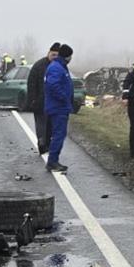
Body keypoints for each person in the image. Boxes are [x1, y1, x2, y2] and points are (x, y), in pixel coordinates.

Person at [44, 44, 74, 172]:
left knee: (59, 134)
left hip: (60, 106)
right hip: (58, 107)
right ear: (67, 56)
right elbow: (53, 85)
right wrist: (64, 98)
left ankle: (53, 160)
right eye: (70, 56)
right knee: (58, 135)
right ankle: (52, 162)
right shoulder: (57, 68)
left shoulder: (60, 66)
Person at [27, 42, 61, 154]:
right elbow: (31, 84)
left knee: (50, 126)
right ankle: (41, 143)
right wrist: (32, 100)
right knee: (41, 124)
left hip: (53, 102)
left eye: (57, 55)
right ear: (48, 53)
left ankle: (47, 144)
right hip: (40, 101)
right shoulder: (39, 66)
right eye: (53, 55)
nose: (55, 57)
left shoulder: (59, 66)